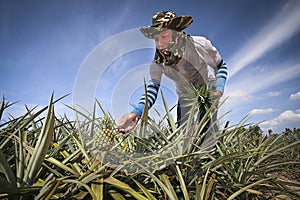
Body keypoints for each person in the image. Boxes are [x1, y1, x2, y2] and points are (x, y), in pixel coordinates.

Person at [116, 11, 228, 139]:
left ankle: (213, 154)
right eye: (156, 39)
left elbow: (220, 66)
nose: (160, 44)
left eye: (164, 37)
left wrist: (218, 91)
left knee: (208, 128)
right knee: (183, 130)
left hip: (208, 86)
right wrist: (136, 113)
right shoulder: (157, 64)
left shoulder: (200, 45)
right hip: (185, 92)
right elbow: (152, 90)